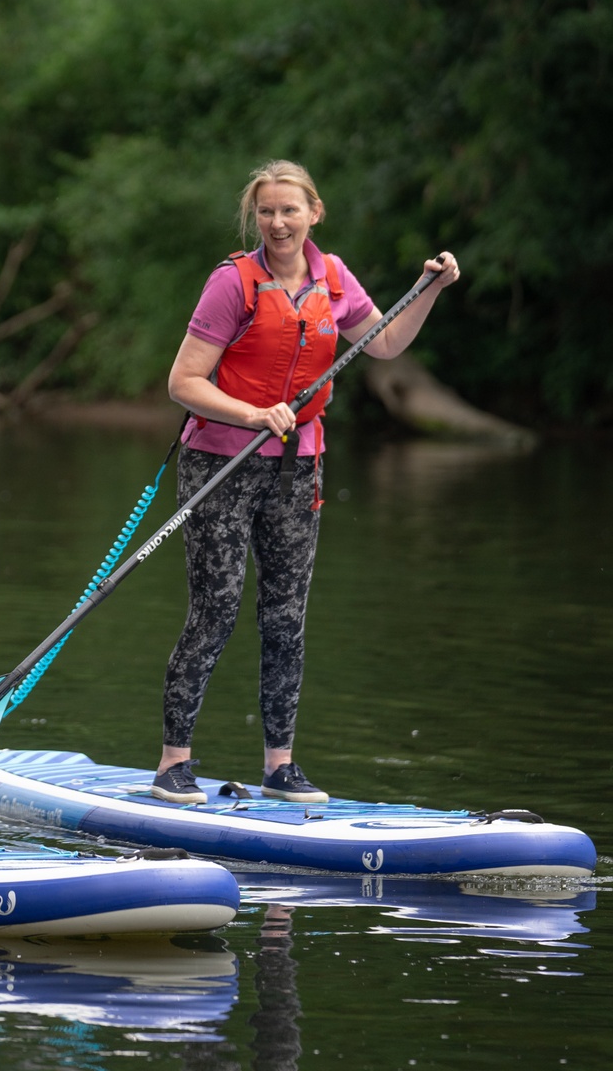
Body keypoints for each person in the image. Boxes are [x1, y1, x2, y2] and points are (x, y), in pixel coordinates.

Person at [155, 160, 459, 804]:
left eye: (290, 210)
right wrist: (251, 413)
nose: (278, 222)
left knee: (286, 617)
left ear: (313, 213)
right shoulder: (232, 283)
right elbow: (184, 383)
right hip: (220, 465)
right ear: (255, 217)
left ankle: (280, 767)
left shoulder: (334, 277)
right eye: (266, 211)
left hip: (297, 469)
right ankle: (173, 763)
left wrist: (427, 290)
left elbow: (383, 345)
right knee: (216, 608)